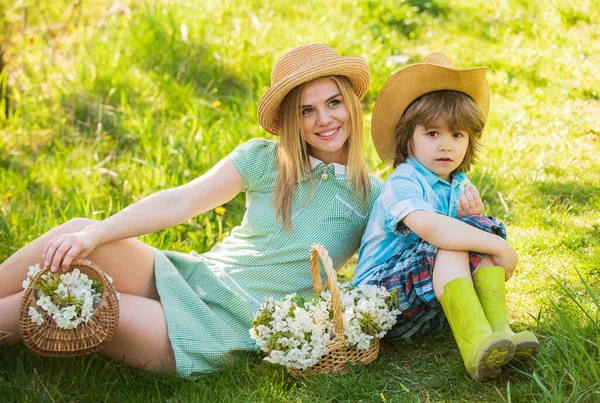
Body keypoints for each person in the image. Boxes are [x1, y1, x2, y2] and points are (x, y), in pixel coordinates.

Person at [0, 43, 382, 378]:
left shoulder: (373, 196)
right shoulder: (265, 160)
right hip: (196, 275)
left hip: (228, 325)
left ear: (350, 102)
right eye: (306, 110)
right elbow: (180, 201)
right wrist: (95, 234)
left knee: (78, 295)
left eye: (333, 103)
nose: (325, 120)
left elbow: (393, 265)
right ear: (290, 121)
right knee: (80, 231)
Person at [353, 52, 539, 381]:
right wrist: (499, 246)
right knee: (451, 239)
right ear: (408, 137)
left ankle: (500, 331)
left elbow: (462, 235)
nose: (446, 146)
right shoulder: (403, 181)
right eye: (432, 133)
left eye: (457, 135)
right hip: (379, 303)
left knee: (476, 226)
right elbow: (433, 230)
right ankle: (475, 344)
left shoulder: (457, 183)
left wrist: (477, 224)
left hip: (430, 306)